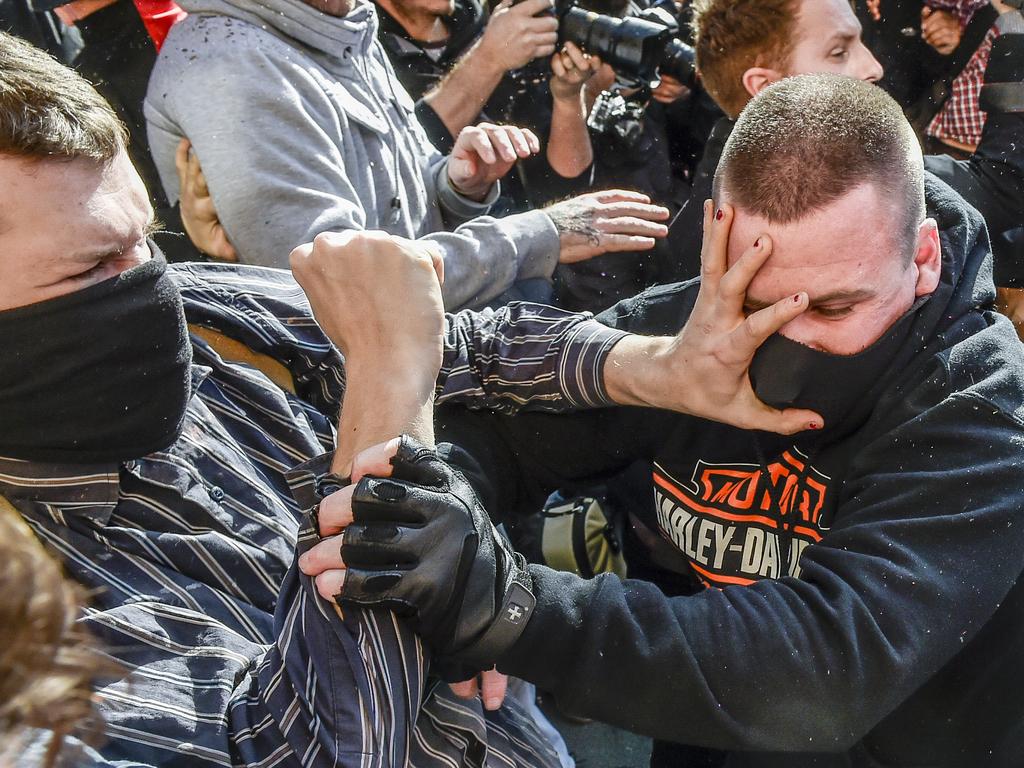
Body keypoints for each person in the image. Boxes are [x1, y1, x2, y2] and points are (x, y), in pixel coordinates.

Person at [0, 31, 818, 765]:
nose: (149, 281)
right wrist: (389, 388)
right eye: (89, 267)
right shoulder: (26, 616)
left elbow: (459, 342)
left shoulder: (195, 303)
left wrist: (662, 367)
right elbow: (312, 745)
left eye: (145, 235)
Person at [299, 74, 1024, 767]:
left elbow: (827, 667)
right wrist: (445, 552)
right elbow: (498, 440)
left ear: (923, 259)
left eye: (835, 307)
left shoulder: (980, 405)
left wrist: (506, 609)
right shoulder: (686, 327)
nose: (787, 345)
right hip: (708, 744)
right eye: (754, 299)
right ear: (719, 236)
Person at [144, 0, 670, 311]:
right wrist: (540, 234)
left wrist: (458, 184)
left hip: (434, 334)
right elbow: (344, 292)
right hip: (354, 406)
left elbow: (404, 208)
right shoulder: (232, 66)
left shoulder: (343, 23)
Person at [661, 0, 1024, 295]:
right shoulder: (861, 184)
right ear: (765, 85)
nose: (873, 67)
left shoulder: (701, 223)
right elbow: (1002, 188)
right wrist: (1013, 28)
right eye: (839, 52)